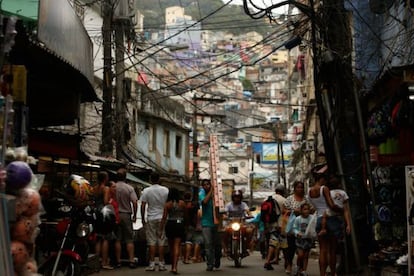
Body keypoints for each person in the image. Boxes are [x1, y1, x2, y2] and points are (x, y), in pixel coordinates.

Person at [307, 164, 343, 276]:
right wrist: (341, 209)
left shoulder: (309, 191)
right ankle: (332, 273)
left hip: (318, 219)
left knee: (322, 249)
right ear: (322, 178)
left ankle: (322, 274)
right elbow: (331, 205)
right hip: (330, 218)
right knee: (332, 249)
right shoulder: (324, 188)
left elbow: (313, 207)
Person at [140, 172, 169, 271]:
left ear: (150, 179)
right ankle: (161, 263)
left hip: (151, 217)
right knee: (161, 240)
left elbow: (143, 205)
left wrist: (143, 219)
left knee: (151, 241)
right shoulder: (165, 190)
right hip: (162, 217)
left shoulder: (146, 191)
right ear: (159, 179)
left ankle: (152, 264)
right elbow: (167, 204)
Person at [283, 180, 310, 274]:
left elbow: (310, 209)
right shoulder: (290, 199)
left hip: (303, 228)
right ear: (294, 189)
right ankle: (289, 265)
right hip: (292, 227)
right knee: (290, 248)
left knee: (303, 250)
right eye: (298, 187)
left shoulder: (306, 199)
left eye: (302, 187)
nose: (300, 189)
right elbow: (284, 209)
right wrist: (293, 211)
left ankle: (301, 268)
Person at [114, 168, 138, 269]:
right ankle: (131, 261)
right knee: (129, 239)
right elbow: (135, 202)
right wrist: (135, 214)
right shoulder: (129, 188)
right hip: (126, 214)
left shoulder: (113, 187)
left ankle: (118, 261)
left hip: (115, 214)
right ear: (125, 177)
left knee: (117, 239)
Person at [159, 188, 188, 274]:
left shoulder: (167, 204)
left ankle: (172, 266)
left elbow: (164, 217)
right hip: (179, 224)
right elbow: (186, 215)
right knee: (177, 246)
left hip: (170, 224)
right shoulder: (182, 203)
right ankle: (175, 267)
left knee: (171, 247)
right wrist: (186, 225)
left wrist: (160, 229)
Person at [199, 179, 222, 271]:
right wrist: (212, 191)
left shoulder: (217, 195)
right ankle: (210, 264)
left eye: (208, 184)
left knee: (217, 245)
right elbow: (204, 202)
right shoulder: (202, 193)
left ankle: (217, 259)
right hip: (206, 224)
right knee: (208, 245)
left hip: (216, 223)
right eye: (204, 185)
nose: (206, 186)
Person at [91, 171, 113, 270]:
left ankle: (96, 262)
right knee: (105, 238)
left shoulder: (94, 188)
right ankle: (104, 262)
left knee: (98, 238)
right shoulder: (106, 188)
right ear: (105, 178)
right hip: (104, 213)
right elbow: (105, 201)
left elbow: (92, 201)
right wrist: (110, 201)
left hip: (95, 213)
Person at [263, 184, 286, 270]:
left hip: (269, 224)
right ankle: (286, 263)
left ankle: (272, 260)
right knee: (282, 243)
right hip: (280, 224)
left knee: (273, 242)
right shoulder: (284, 200)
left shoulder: (267, 198)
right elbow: (285, 212)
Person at [292, 202, 315, 276]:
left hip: (308, 239)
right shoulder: (298, 219)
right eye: (305, 209)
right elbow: (294, 228)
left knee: (306, 256)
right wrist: (297, 233)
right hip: (300, 239)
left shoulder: (312, 218)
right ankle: (297, 267)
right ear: (301, 210)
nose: (306, 211)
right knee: (300, 255)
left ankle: (304, 270)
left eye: (308, 209)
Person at [183, 191, 204, 264]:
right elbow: (200, 216)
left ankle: (186, 258)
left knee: (188, 242)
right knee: (197, 242)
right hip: (197, 226)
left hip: (189, 226)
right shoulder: (197, 208)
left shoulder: (185, 207)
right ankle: (195, 257)